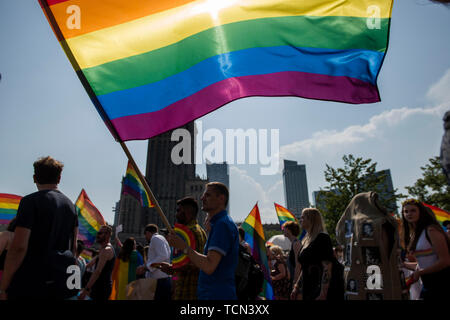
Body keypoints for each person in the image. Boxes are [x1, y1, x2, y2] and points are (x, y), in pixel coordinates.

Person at [0, 156, 78, 300]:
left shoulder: (30, 201)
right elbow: (73, 248)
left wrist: (3, 288)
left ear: (35, 178)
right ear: (59, 178)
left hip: (30, 282)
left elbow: (19, 247)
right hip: (60, 282)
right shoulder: (71, 207)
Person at [167, 182, 239, 300]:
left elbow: (209, 266)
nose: (202, 198)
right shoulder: (218, 224)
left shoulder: (222, 225)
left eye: (208, 195)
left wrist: (183, 247)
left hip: (215, 295)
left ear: (221, 199)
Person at [157, 197, 207, 300]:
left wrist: (171, 269)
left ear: (187, 212)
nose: (176, 214)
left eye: (179, 210)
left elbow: (194, 264)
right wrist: (173, 273)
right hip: (186, 289)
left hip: (188, 291)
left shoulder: (189, 232)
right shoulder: (201, 231)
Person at [401, 199, 450, 300]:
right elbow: (424, 263)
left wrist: (420, 273)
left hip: (442, 282)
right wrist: (403, 264)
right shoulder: (414, 234)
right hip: (427, 283)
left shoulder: (431, 230)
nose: (409, 214)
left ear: (421, 212)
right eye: (406, 211)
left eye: (413, 210)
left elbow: (445, 261)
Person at [294, 208, 344, 300]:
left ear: (311, 219)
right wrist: (296, 287)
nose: (300, 220)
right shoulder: (306, 240)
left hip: (322, 290)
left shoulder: (322, 238)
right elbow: (305, 267)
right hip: (309, 287)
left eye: (302, 217)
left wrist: (323, 294)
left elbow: (327, 267)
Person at [78, 225, 116, 301]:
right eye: (98, 233)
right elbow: (88, 265)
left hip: (102, 288)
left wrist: (85, 290)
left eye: (100, 233)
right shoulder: (103, 249)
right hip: (98, 286)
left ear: (108, 235)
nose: (97, 235)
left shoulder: (106, 250)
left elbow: (97, 272)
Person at [136, 224, 172, 300]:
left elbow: (163, 255)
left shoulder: (156, 238)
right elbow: (156, 257)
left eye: (145, 234)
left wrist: (146, 267)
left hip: (160, 282)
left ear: (148, 232)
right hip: (158, 281)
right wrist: (145, 266)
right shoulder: (159, 239)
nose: (145, 237)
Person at [283, 221, 302, 300]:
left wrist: (295, 281)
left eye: (284, 228)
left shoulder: (296, 243)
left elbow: (298, 263)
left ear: (289, 230)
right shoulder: (293, 243)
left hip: (296, 279)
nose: (283, 230)